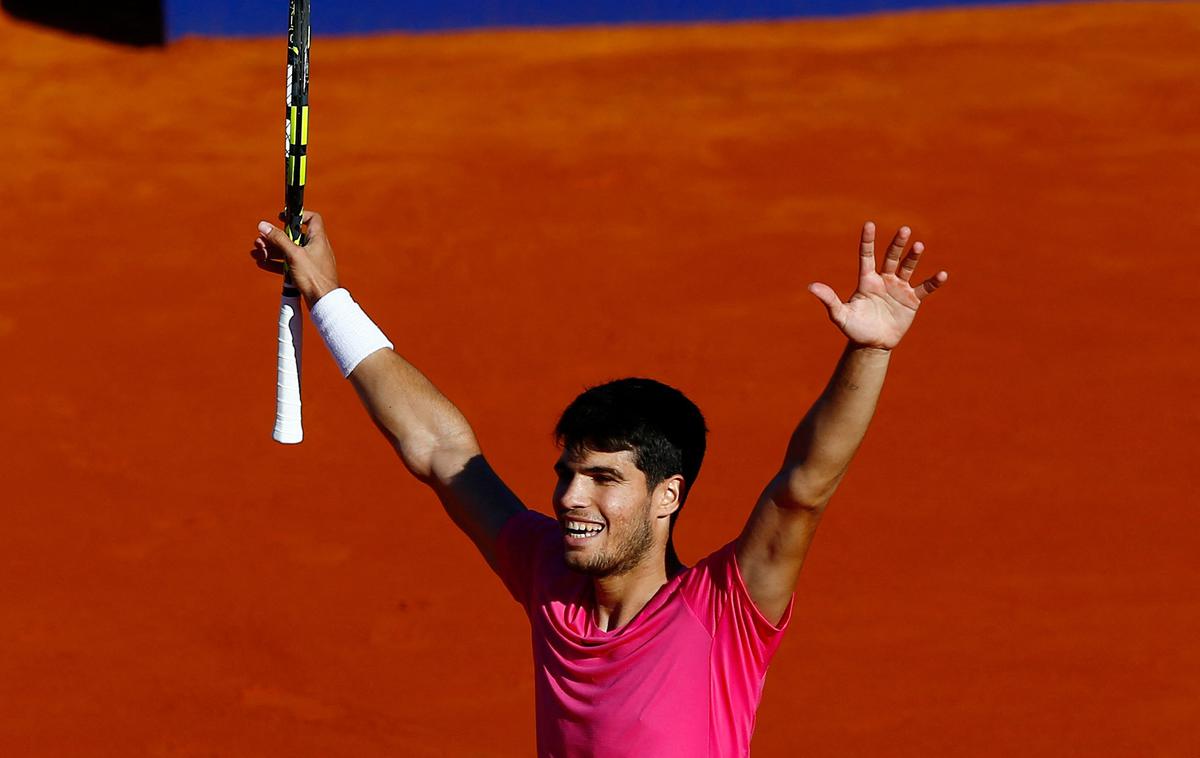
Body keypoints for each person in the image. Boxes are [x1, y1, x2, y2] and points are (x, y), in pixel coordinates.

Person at [250, 213, 948, 756]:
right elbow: (439, 449)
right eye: (569, 474)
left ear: (668, 495)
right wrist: (330, 298)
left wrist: (869, 350)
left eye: (603, 479)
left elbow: (803, 488)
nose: (570, 498)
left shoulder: (724, 611)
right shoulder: (550, 577)